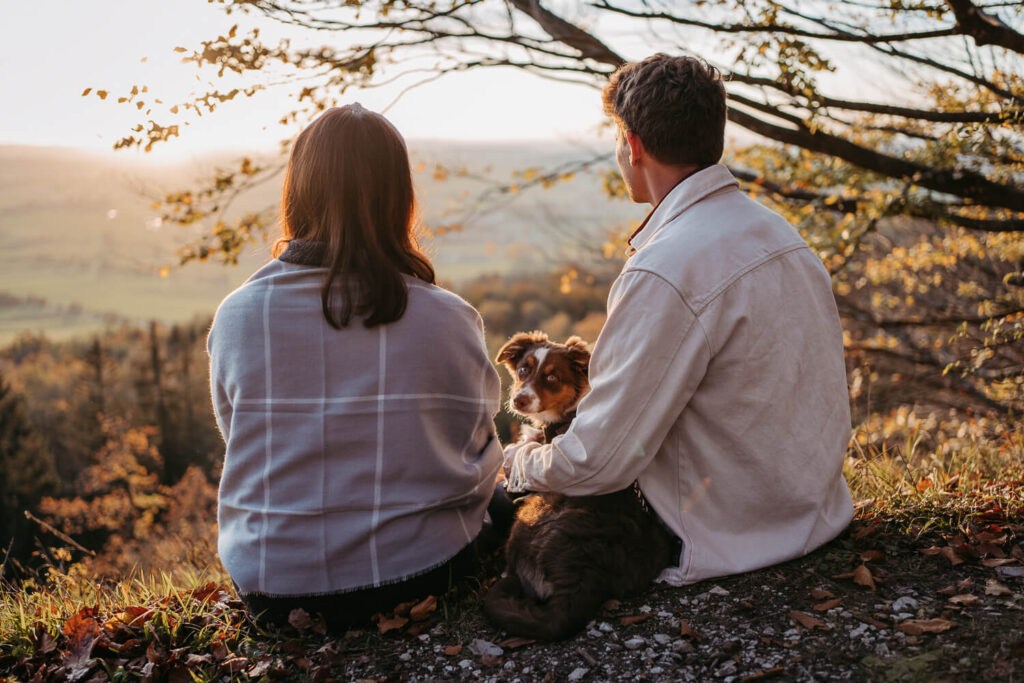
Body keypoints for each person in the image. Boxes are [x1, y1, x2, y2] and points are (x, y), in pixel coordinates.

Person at [502, 54, 855, 585]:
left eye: (617, 139)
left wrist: (515, 463)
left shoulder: (664, 270)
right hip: (812, 512)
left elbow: (597, 462)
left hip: (723, 533)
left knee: (494, 508)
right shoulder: (783, 236)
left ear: (633, 143)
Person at [207, 104, 505, 630]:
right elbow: (476, 441)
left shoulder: (237, 316)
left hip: (273, 591)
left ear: (298, 192)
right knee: (508, 492)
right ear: (400, 198)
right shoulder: (449, 318)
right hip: (421, 575)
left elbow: (240, 438)